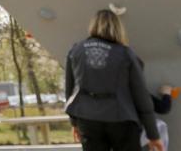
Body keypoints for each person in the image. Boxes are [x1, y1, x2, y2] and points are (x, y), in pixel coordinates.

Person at [63, 9, 163, 151]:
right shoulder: (125, 54)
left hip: (87, 119)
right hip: (121, 119)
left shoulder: (76, 51)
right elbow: (141, 97)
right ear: (117, 28)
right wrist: (153, 135)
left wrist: (74, 122)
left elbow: (70, 90)